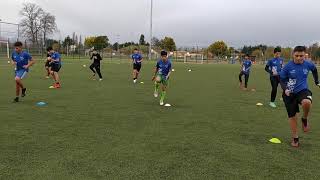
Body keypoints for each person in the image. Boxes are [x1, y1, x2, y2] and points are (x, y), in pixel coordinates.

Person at [280, 46, 320, 147]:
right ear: (293, 54)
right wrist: (285, 89)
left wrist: (317, 81)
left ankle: (304, 118)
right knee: (292, 116)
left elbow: (314, 70)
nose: (298, 58)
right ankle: (295, 138)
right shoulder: (287, 66)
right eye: (296, 55)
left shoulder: (308, 64)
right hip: (289, 94)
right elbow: (282, 80)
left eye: (301, 56)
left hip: (302, 90)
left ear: (305, 55)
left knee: (307, 102)